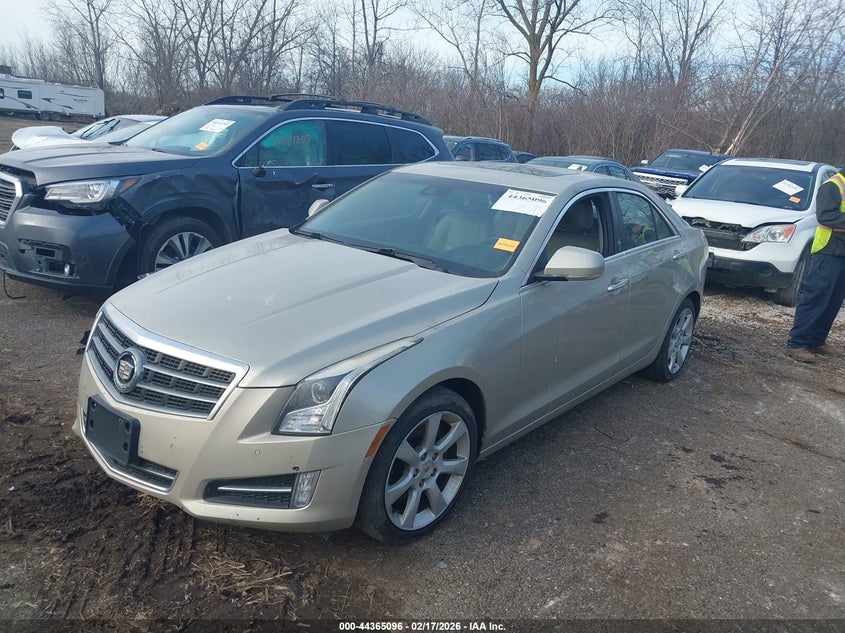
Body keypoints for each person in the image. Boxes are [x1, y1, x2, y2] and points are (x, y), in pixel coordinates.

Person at [786, 169, 845, 362]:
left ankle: (817, 340)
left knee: (834, 299)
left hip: (842, 252)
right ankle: (798, 343)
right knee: (816, 297)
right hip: (828, 249)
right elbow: (826, 217)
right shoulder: (833, 185)